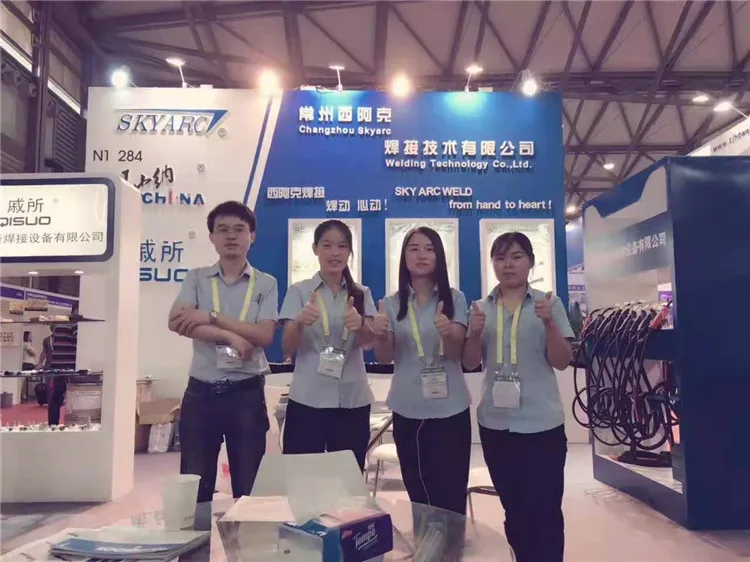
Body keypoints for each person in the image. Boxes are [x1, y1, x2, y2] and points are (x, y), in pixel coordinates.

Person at [463, 231, 574, 562]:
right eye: (500, 258)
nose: (508, 265)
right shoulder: (480, 308)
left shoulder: (548, 303)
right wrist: (474, 333)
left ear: (530, 262)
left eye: (516, 257)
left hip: (542, 425)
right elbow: (469, 362)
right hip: (496, 425)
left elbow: (562, 361)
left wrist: (550, 324)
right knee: (514, 509)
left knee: (545, 511)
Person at [168, 201, 278, 503]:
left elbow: (264, 335)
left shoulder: (266, 284)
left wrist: (210, 316)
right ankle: (197, 536)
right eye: (223, 230)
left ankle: (245, 535)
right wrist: (230, 335)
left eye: (239, 229)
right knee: (195, 484)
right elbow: (177, 322)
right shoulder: (196, 278)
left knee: (249, 485)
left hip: (247, 393)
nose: (231, 236)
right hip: (201, 393)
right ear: (212, 237)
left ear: (252, 236)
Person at [372, 227, 471, 518]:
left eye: (429, 248)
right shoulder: (392, 303)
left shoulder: (455, 299)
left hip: (450, 410)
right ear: (404, 257)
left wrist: (449, 332)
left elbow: (457, 355)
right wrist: (380, 334)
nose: (421, 255)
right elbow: (385, 357)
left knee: (450, 495)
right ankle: (425, 544)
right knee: (418, 494)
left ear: (439, 255)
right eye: (413, 248)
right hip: (408, 409)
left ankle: (451, 545)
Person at [279, 220, 377, 470]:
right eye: (327, 245)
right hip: (308, 399)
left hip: (352, 400)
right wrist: (299, 322)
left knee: (347, 479)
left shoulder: (361, 293)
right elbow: (287, 346)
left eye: (342, 246)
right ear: (315, 249)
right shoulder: (299, 291)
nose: (335, 253)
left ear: (350, 251)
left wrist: (360, 326)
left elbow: (369, 344)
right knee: (302, 475)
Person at [48, 304, 80, 425]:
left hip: (57, 365)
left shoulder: (60, 323)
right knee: (73, 396)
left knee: (57, 396)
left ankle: (53, 424)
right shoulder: (74, 324)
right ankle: (73, 423)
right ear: (75, 311)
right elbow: (80, 341)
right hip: (69, 366)